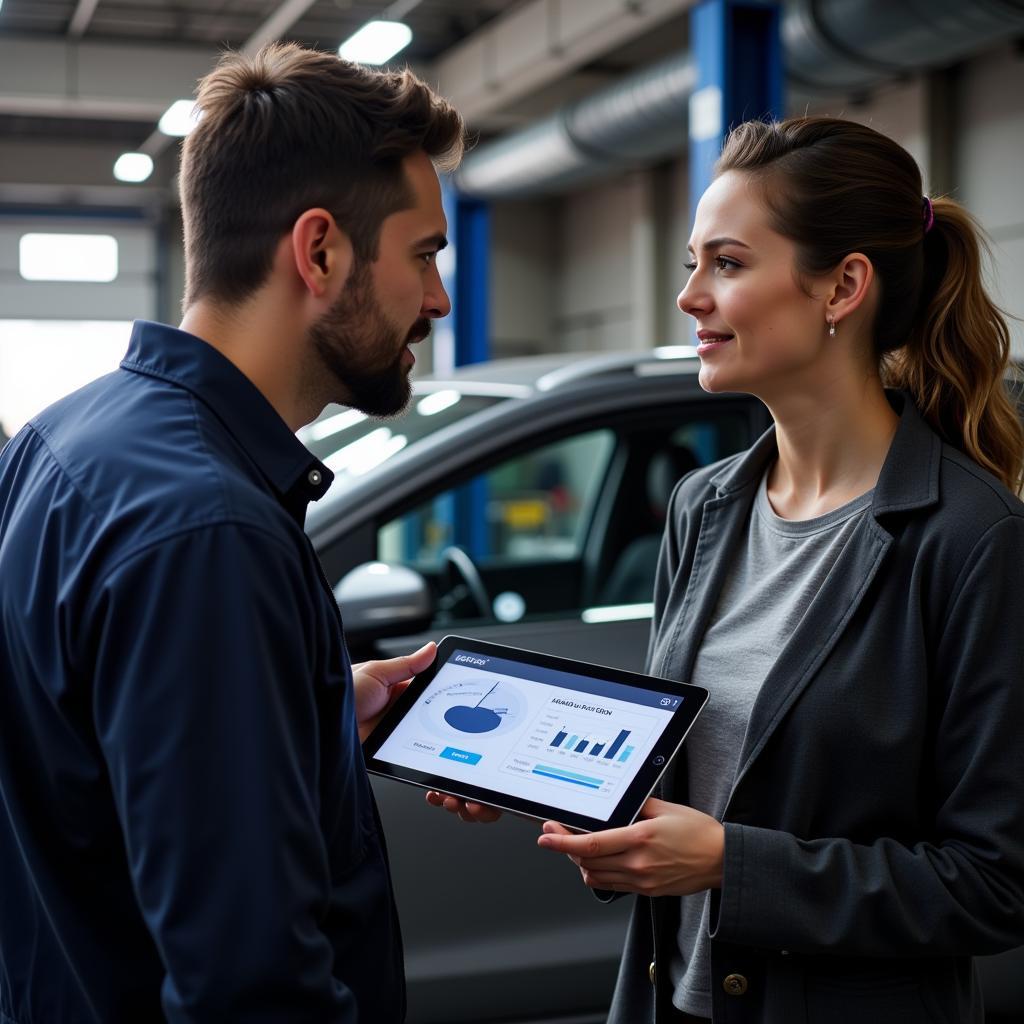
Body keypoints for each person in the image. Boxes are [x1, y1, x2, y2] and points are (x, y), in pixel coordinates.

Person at [0, 43, 463, 1022]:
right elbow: (250, 986)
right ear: (321, 250)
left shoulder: (64, 438)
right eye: (424, 253)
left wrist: (307, 702)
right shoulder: (209, 532)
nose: (438, 300)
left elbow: (76, 748)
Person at [527, 116, 1024, 1023]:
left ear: (843, 286)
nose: (688, 297)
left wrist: (731, 863)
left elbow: (996, 882)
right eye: (691, 263)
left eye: (726, 263)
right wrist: (547, 783)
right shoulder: (703, 507)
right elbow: (680, 778)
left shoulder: (972, 539)